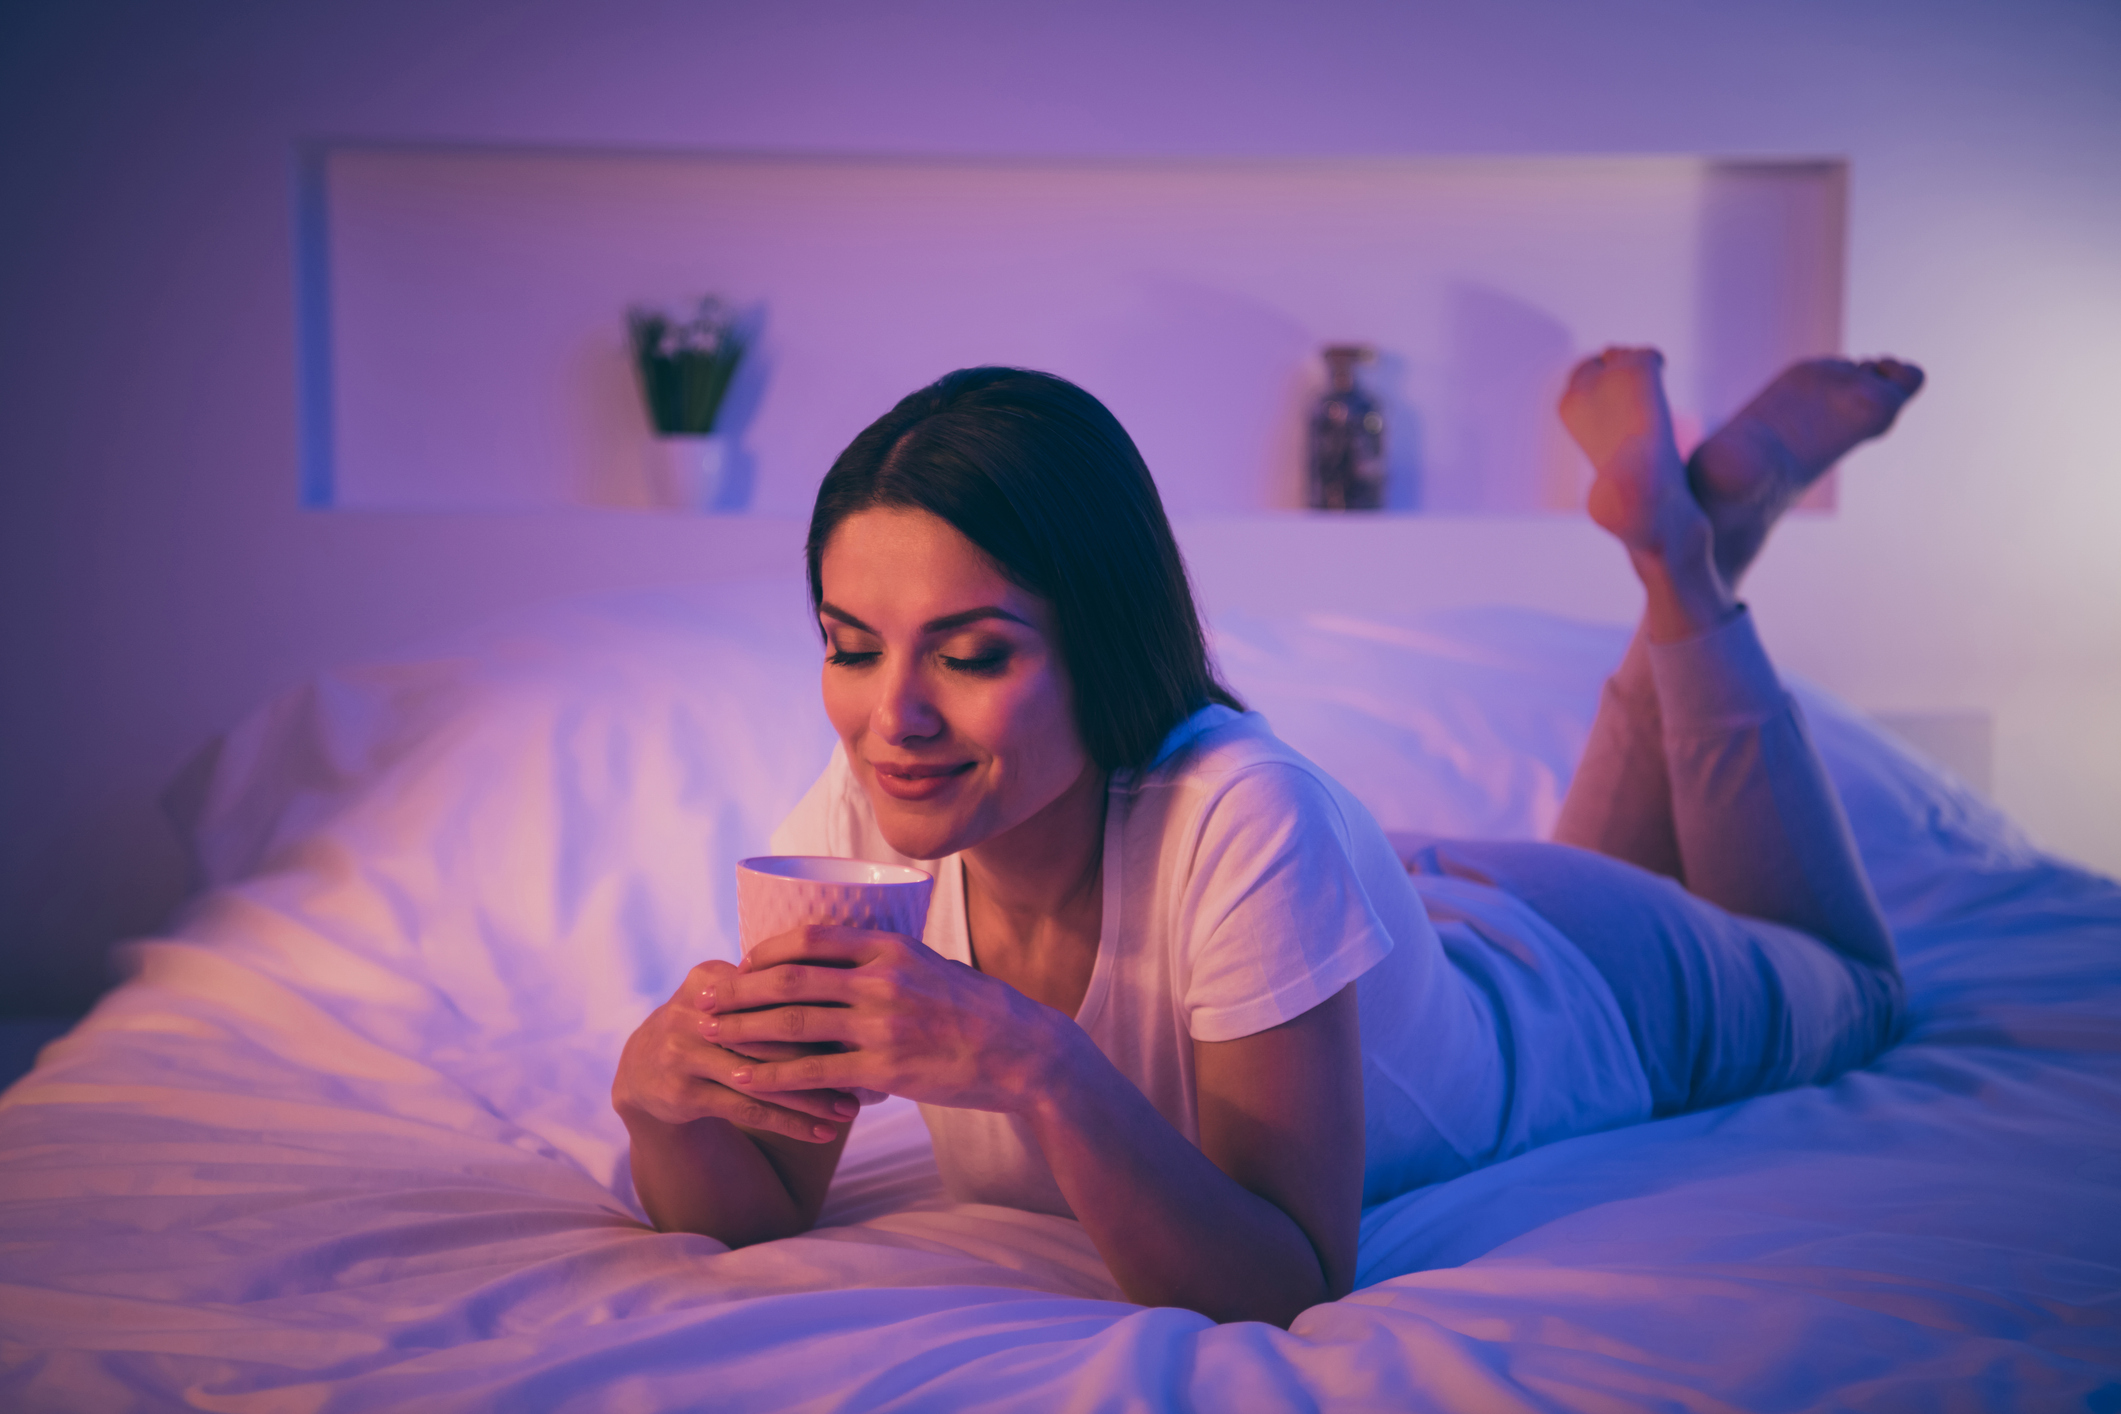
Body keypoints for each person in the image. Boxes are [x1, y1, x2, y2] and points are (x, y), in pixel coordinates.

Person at [612, 347, 1925, 1326]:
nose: (890, 716)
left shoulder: (1246, 810)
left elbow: (1285, 1277)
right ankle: (1688, 539)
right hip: (1420, 907)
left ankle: (1685, 562)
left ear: (1101, 642)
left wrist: (1033, 1062)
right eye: (850, 646)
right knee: (1609, 862)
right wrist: (657, 1105)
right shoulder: (866, 812)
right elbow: (763, 1202)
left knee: (1859, 987)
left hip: (1584, 987)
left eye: (970, 654)